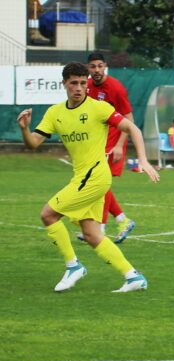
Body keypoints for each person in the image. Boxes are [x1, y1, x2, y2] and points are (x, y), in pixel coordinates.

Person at [17, 62, 160, 293]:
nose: (79, 87)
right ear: (64, 83)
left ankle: (73, 266)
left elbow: (132, 128)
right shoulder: (55, 113)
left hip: (96, 177)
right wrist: (25, 128)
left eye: (83, 83)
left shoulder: (99, 108)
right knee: (92, 235)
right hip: (82, 177)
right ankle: (133, 277)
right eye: (74, 83)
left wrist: (143, 160)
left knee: (48, 215)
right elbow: (33, 143)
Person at [86, 52, 136, 244]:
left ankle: (100, 229)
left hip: (112, 143)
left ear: (105, 66)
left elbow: (129, 120)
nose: (97, 70)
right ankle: (123, 221)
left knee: (100, 184)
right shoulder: (87, 86)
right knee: (98, 184)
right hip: (96, 144)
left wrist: (118, 146)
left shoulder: (116, 88)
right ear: (88, 68)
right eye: (93, 66)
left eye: (100, 66)